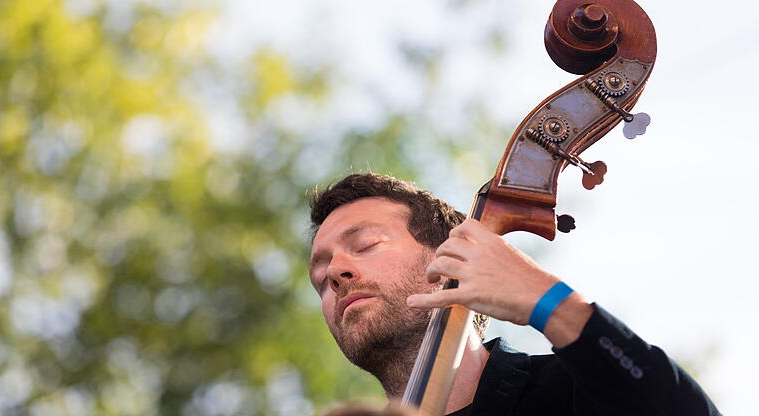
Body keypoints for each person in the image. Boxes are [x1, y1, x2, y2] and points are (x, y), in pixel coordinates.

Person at [308, 173, 720, 415]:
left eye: (364, 245)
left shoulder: (572, 396)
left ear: (451, 258)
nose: (336, 274)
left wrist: (548, 301)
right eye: (320, 278)